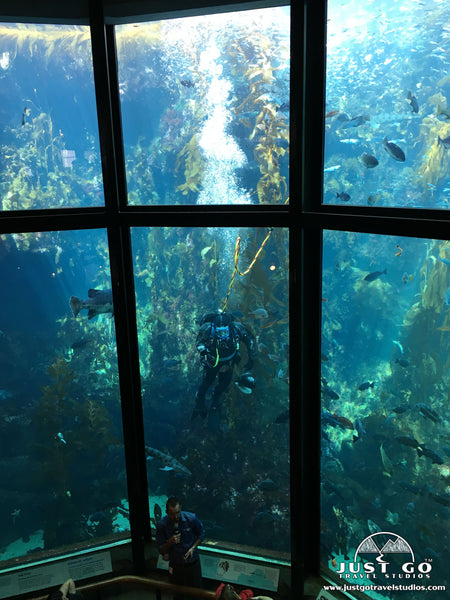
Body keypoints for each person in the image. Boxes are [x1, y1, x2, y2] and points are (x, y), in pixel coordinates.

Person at [192, 312, 255, 420]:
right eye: (219, 332)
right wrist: (204, 353)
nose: (223, 335)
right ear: (214, 328)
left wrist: (251, 358)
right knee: (207, 382)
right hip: (212, 360)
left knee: (224, 383)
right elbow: (199, 342)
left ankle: (215, 401)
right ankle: (200, 403)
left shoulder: (236, 328)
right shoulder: (207, 329)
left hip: (229, 360)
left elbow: (249, 341)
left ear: (229, 327)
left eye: (225, 331)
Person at [156, 496, 205, 600]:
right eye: (172, 514)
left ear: (181, 508)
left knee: (196, 594)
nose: (176, 516)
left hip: (193, 565)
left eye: (178, 512)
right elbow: (161, 550)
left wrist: (193, 547)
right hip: (176, 566)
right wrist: (169, 542)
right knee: (178, 595)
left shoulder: (191, 518)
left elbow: (201, 534)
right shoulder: (162, 525)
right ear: (166, 512)